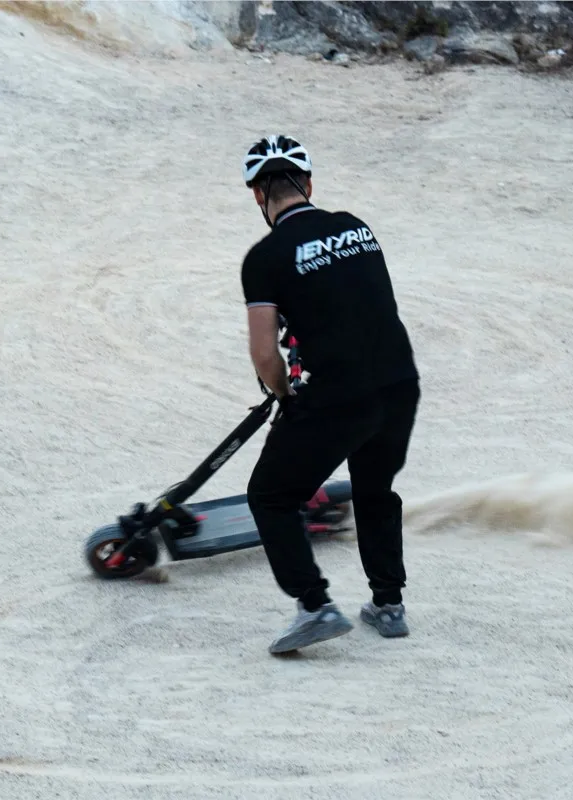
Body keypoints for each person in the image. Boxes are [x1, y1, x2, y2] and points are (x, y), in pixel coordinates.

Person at [239, 134, 420, 655]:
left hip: (340, 394)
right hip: (398, 382)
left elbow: (264, 355)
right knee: (374, 488)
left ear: (258, 195)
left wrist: (284, 394)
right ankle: (388, 605)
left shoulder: (264, 258)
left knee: (271, 496)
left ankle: (315, 607)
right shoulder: (357, 229)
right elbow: (358, 306)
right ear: (309, 183)